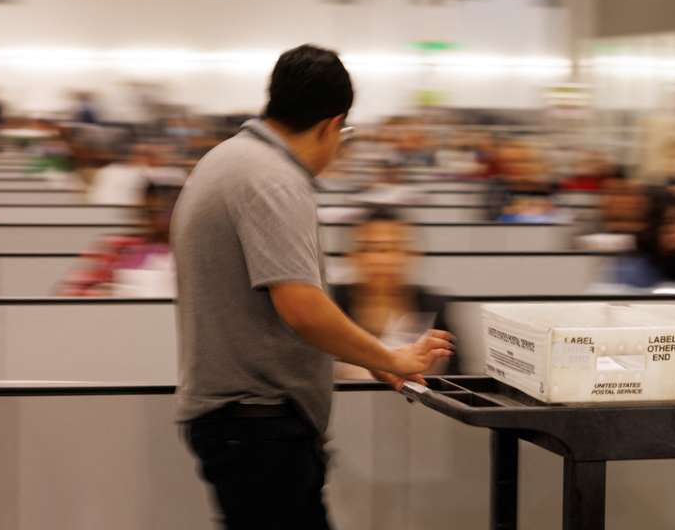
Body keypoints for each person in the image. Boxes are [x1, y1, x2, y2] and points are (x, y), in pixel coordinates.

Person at [172, 44, 453, 530]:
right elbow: (301, 307)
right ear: (331, 124)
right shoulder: (275, 180)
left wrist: (365, 360)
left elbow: (257, 320)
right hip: (259, 426)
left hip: (240, 423)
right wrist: (391, 358)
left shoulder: (227, 160)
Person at [332, 207, 457, 377]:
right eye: (370, 249)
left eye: (394, 248)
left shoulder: (434, 307)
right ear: (352, 256)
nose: (383, 260)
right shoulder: (331, 305)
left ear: (411, 254)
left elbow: (458, 377)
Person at [61, 181, 181, 296]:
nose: (160, 219)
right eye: (151, 211)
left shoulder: (191, 255)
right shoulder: (116, 247)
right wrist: (110, 293)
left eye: (166, 211)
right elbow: (73, 294)